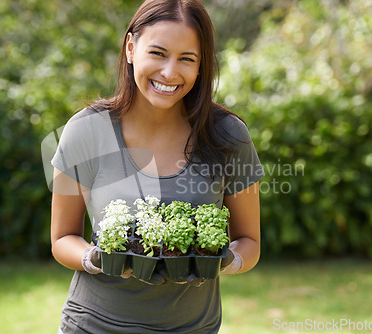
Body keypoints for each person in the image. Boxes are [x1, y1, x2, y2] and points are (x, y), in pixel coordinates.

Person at [49, 0, 264, 332]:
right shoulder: (86, 131)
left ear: (201, 65)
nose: (170, 72)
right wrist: (94, 258)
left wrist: (226, 261)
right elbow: (62, 237)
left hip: (193, 327)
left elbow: (249, 241)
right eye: (158, 53)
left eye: (187, 59)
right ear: (131, 47)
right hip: (94, 326)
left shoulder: (228, 136)